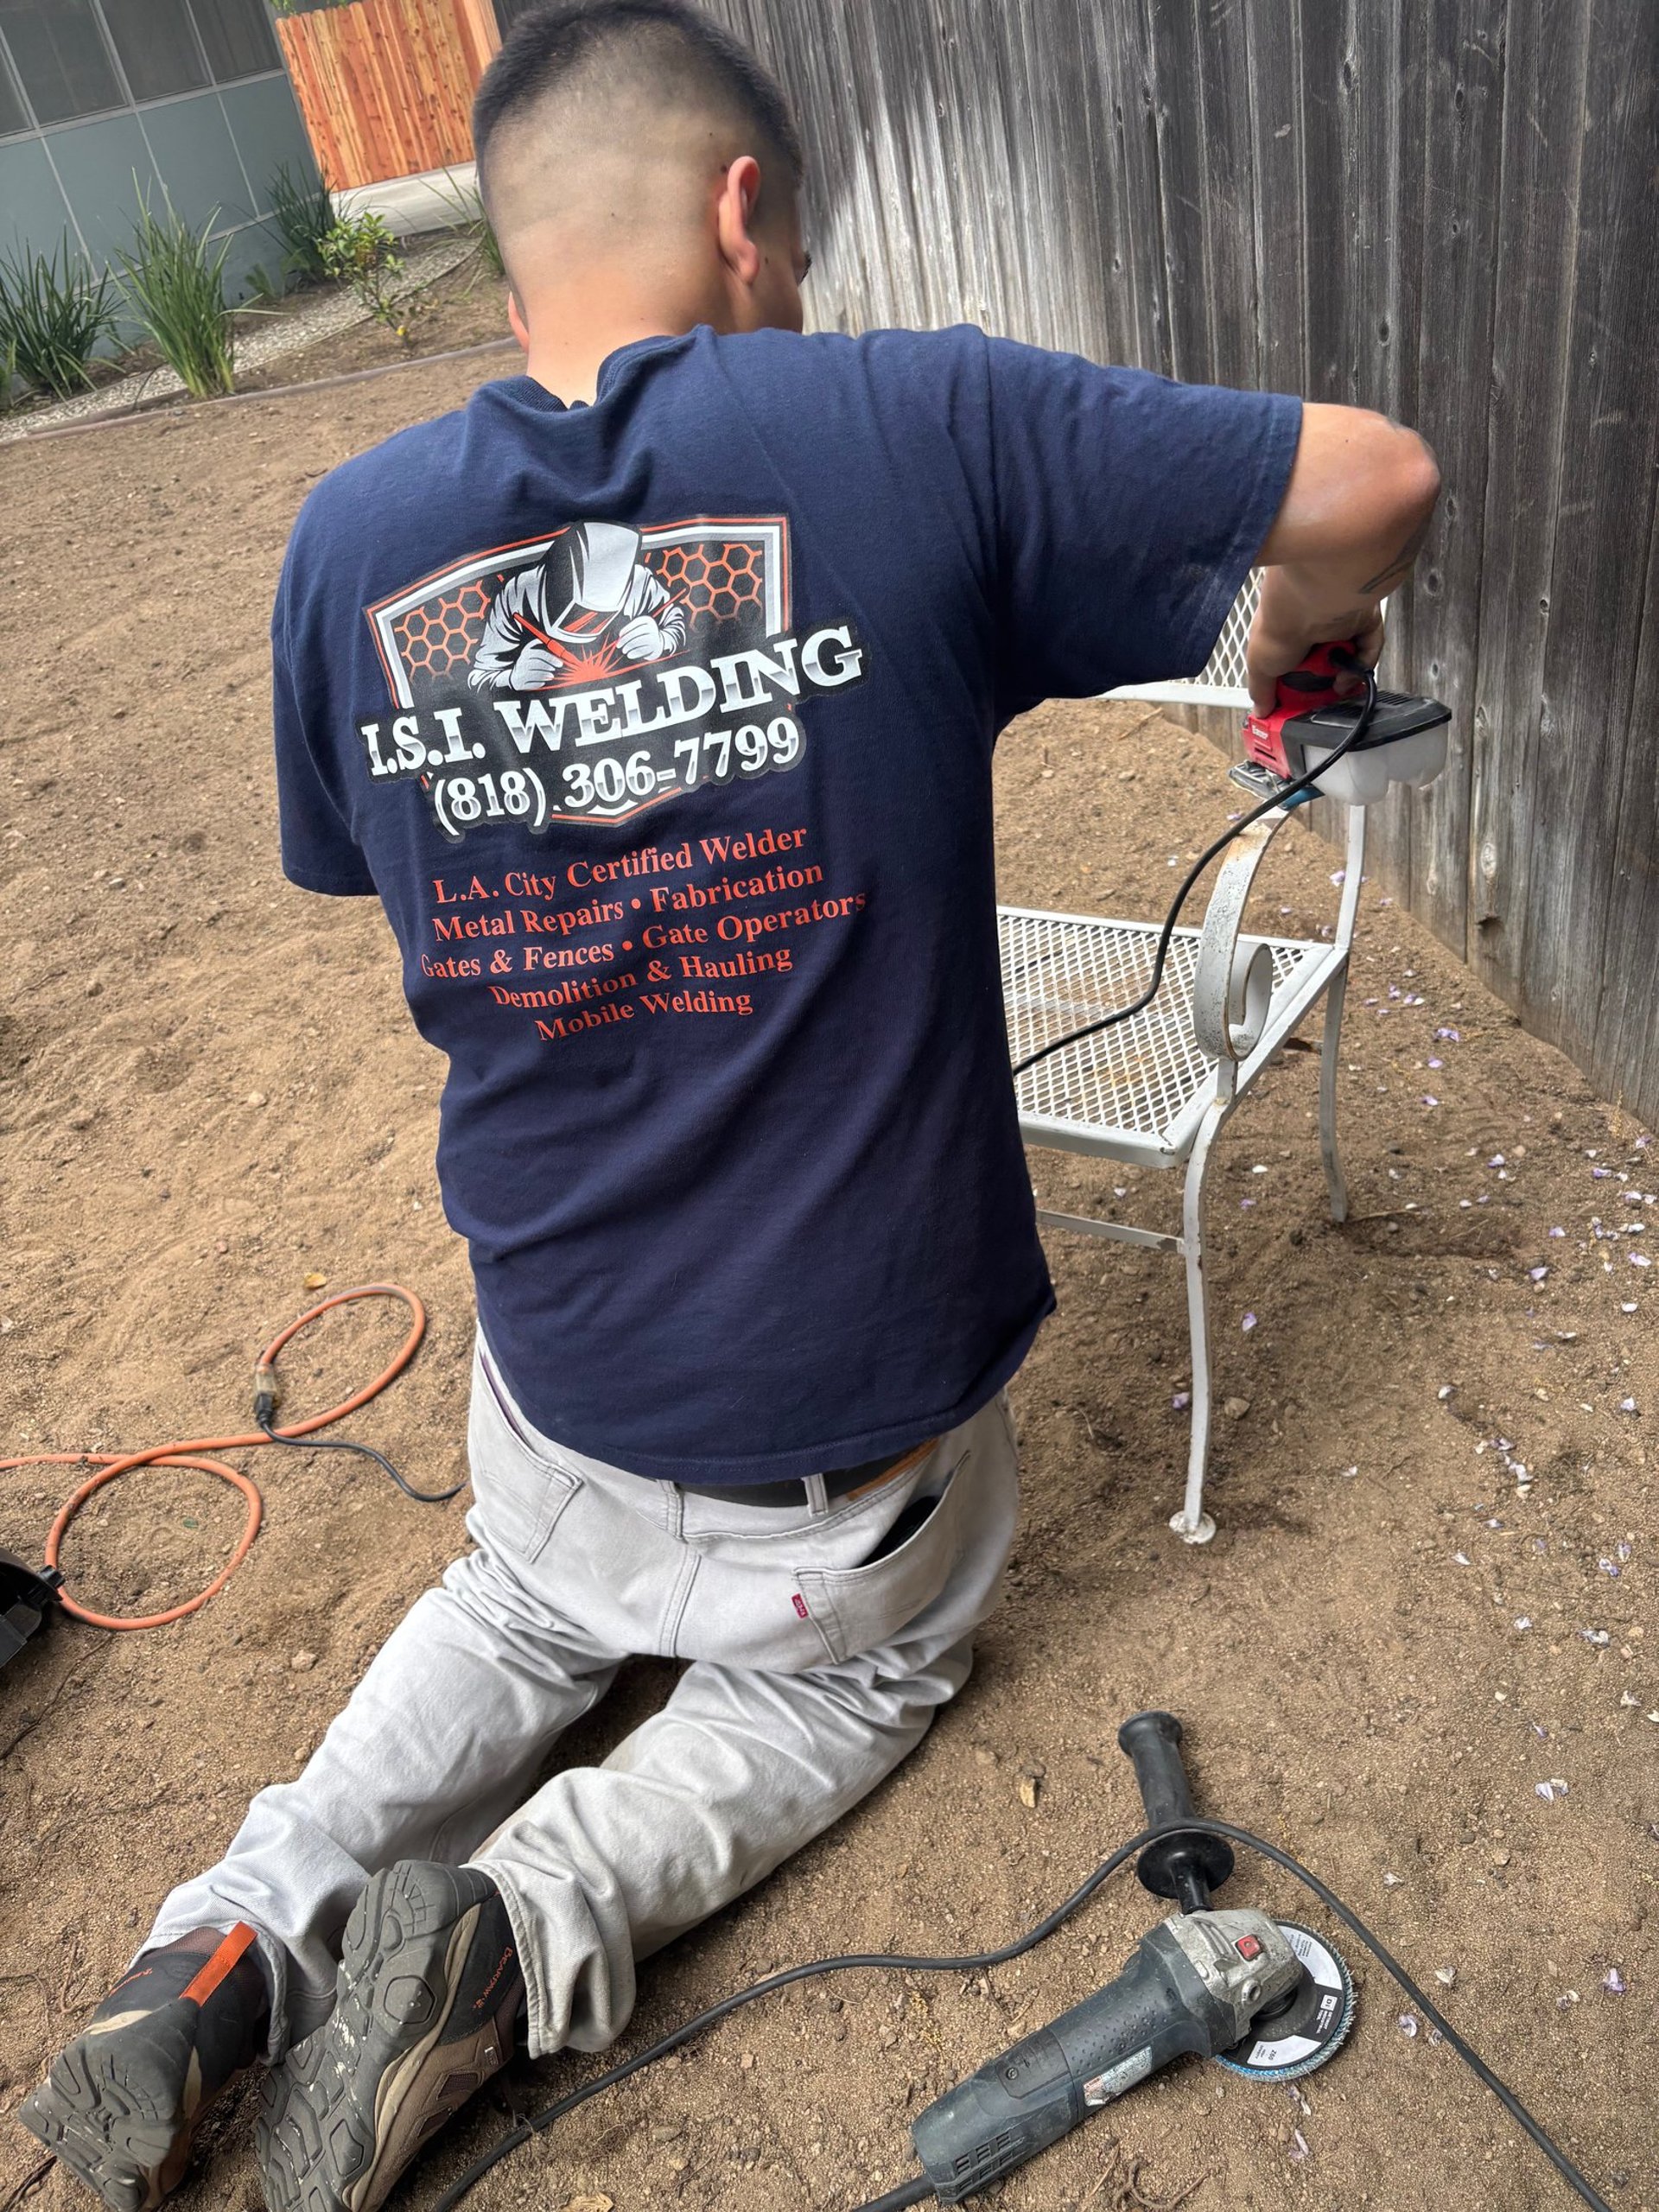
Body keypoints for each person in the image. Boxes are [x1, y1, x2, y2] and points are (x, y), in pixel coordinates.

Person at [16, 3, 1440, 2208]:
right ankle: (513, 1926)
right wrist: (1292, 648)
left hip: (560, 1393)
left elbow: (369, 858)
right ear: (746, 211)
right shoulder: (907, 417)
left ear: (511, 267)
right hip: (839, 1469)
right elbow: (1371, 484)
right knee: (822, 1701)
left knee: (513, 1611)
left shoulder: (344, 543)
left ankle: (219, 1938)